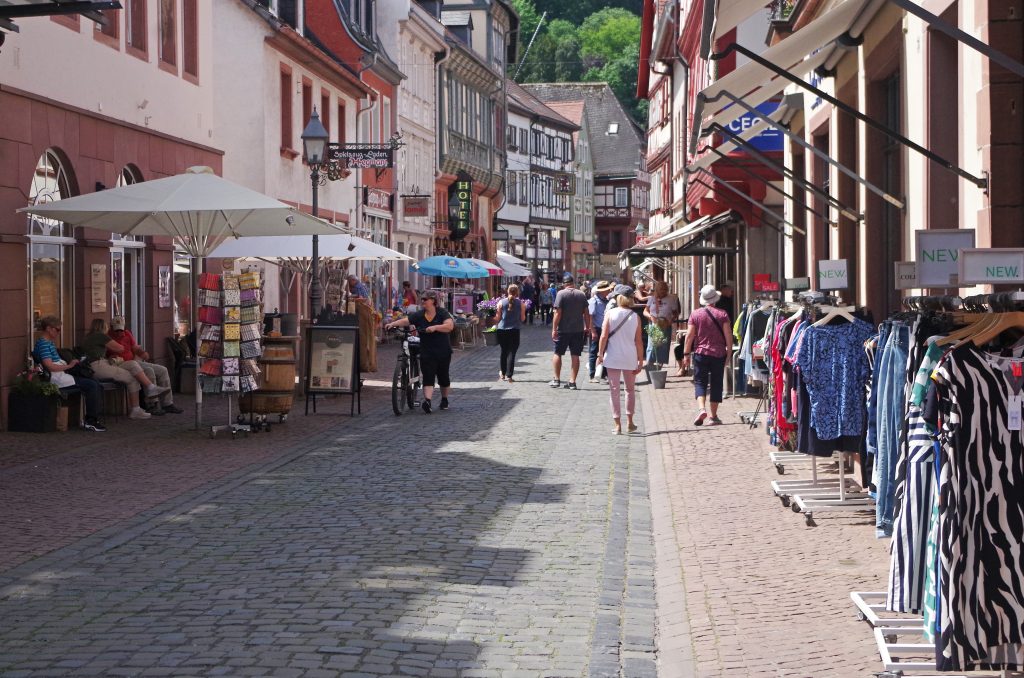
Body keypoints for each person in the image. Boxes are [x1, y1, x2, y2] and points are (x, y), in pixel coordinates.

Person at [83, 318, 169, 419]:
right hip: (99, 365)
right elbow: (119, 348)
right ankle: (136, 410)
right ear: (104, 327)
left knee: (132, 364)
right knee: (132, 377)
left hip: (101, 364)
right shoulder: (100, 336)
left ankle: (151, 388)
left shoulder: (88, 337)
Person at [384, 290, 454, 413]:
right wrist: (393, 323)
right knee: (428, 375)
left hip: (443, 350)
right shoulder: (420, 315)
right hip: (427, 349)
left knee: (443, 377)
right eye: (421, 299)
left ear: (433, 301)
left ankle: (444, 399)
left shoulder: (442, 313)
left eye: (425, 299)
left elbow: (449, 326)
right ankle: (427, 401)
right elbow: (407, 320)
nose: (422, 301)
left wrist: (435, 327)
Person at [32, 316, 106, 432]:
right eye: (57, 329)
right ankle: (90, 420)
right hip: (57, 378)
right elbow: (49, 366)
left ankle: (91, 418)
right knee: (91, 385)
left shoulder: (48, 343)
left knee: (93, 382)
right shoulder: (44, 345)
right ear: (48, 329)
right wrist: (69, 366)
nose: (59, 332)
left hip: (62, 375)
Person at [107, 317, 184, 414]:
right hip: (122, 364)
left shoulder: (127, 334)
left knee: (162, 370)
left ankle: (168, 403)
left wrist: (142, 353)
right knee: (149, 371)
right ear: (111, 328)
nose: (119, 332)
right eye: (116, 330)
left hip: (134, 361)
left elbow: (135, 348)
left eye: (120, 330)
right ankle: (153, 404)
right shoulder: (108, 337)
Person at [681, 284, 733, 426]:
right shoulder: (722, 314)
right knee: (716, 383)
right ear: (715, 299)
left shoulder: (695, 314)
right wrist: (729, 352)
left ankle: (701, 409)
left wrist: (686, 354)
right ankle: (713, 416)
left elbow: (689, 336)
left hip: (701, 353)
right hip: (718, 353)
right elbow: (728, 335)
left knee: (700, 382)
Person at [596, 285, 644, 435]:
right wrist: (640, 360)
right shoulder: (635, 316)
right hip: (629, 357)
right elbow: (638, 341)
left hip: (613, 356)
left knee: (614, 391)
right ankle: (630, 422)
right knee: (630, 390)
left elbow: (603, 336)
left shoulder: (610, 314)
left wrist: (600, 354)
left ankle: (617, 425)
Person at [549, 274, 591, 390]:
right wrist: (587, 327)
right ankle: (572, 382)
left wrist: (554, 329)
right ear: (573, 283)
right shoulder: (581, 294)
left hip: (563, 329)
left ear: (564, 284)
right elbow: (586, 313)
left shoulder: (561, 294)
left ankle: (556, 380)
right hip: (577, 329)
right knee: (575, 355)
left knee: (558, 353)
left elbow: (558, 313)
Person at [643, 281, 680, 368]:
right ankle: (650, 364)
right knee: (651, 345)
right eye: (661, 289)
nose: (663, 291)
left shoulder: (671, 299)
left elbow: (676, 313)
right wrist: (650, 317)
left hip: (665, 324)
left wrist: (671, 320)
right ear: (657, 290)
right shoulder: (651, 299)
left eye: (664, 289)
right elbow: (645, 311)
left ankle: (660, 365)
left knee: (663, 346)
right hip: (654, 324)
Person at [495, 283, 526, 382]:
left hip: (502, 330)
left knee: (504, 351)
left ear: (507, 291)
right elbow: (522, 318)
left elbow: (498, 318)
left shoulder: (500, 302)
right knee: (512, 353)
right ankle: (509, 375)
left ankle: (502, 373)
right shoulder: (521, 304)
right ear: (517, 292)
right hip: (515, 330)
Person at [587, 280, 614, 383]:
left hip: (605, 329)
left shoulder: (606, 300)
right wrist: (593, 331)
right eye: (607, 290)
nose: (609, 291)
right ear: (603, 291)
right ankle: (592, 374)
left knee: (605, 352)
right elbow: (590, 317)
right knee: (594, 352)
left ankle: (604, 374)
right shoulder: (593, 301)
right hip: (597, 329)